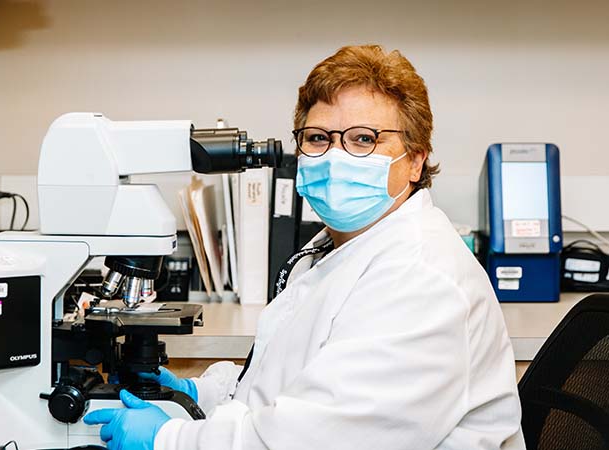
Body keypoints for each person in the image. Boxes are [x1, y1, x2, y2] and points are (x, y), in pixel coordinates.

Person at [84, 45, 525, 450]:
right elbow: (290, 377)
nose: (335, 157)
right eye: (318, 138)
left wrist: (170, 439)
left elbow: (322, 437)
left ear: (414, 160)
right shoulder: (338, 247)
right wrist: (200, 393)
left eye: (363, 139)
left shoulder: (421, 277)